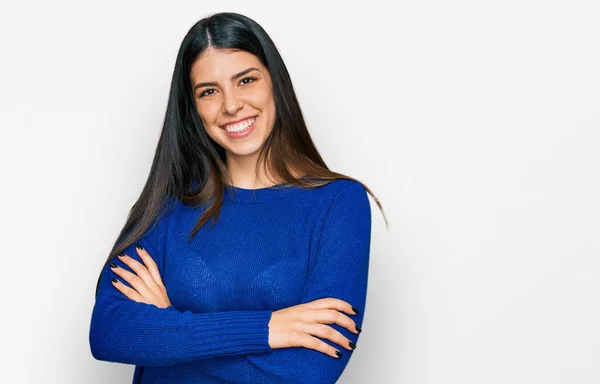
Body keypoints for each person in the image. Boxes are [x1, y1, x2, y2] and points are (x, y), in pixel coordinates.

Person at [89, 11, 388, 384]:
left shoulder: (338, 204)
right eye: (209, 91)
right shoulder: (167, 205)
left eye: (245, 80)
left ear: (274, 83)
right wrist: (269, 328)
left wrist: (168, 330)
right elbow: (109, 332)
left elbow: (308, 373)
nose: (231, 105)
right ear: (193, 108)